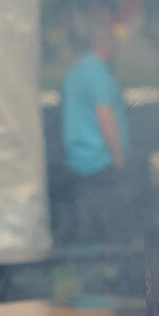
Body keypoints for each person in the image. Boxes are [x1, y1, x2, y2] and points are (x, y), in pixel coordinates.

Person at [61, 13, 134, 245]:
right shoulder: (100, 74)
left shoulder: (74, 72)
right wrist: (118, 155)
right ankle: (122, 275)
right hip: (101, 161)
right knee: (116, 229)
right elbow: (106, 117)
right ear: (108, 43)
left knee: (88, 227)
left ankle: (90, 276)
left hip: (77, 161)